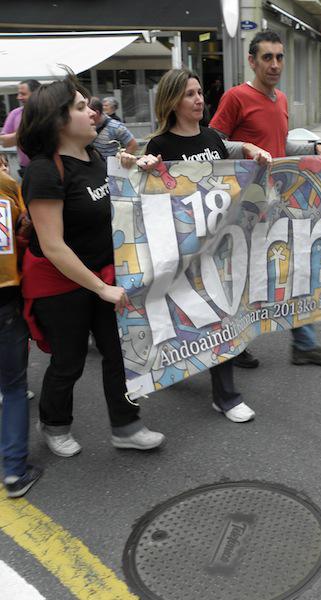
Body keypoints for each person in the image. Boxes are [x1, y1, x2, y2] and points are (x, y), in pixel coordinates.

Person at [18, 73, 164, 457]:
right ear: (58, 120)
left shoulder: (96, 156)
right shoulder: (43, 171)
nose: (91, 111)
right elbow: (53, 246)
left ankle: (127, 426)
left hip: (103, 275)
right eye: (81, 107)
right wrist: (101, 288)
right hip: (60, 283)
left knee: (118, 352)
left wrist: (138, 168)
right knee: (69, 362)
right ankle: (54, 423)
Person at [135, 68, 272, 423]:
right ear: (172, 102)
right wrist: (142, 165)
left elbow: (228, 179)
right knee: (184, 315)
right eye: (190, 94)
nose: (199, 99)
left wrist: (252, 151)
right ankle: (178, 365)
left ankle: (226, 396)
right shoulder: (160, 146)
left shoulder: (212, 137)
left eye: (199, 92)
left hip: (219, 246)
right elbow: (150, 196)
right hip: (181, 249)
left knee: (220, 313)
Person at [210, 30, 321, 369]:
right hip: (247, 203)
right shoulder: (236, 97)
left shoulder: (280, 100)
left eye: (279, 57)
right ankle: (233, 343)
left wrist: (315, 147)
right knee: (245, 276)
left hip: (281, 199)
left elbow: (279, 146)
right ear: (252, 61)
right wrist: (247, 148)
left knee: (297, 268)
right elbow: (212, 145)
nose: (275, 63)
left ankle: (304, 344)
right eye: (267, 57)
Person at [0, 165, 42, 497]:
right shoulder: (7, 185)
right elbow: (24, 231)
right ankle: (14, 471)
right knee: (14, 387)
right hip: (4, 298)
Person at [1, 80, 41, 180]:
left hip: (52, 166)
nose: (18, 97)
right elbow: (4, 142)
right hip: (26, 169)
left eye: (23, 94)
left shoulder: (49, 113)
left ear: (36, 94)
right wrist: (24, 132)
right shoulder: (16, 113)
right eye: (18, 93)